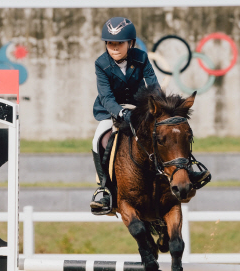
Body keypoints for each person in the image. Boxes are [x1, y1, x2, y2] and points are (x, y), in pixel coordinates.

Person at [89, 17, 209, 215]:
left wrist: (158, 108)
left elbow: (153, 85)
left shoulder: (141, 58)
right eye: (110, 43)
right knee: (98, 140)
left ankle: (189, 169)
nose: (114, 48)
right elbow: (106, 96)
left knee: (168, 133)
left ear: (131, 43)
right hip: (111, 110)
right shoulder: (101, 64)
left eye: (119, 43)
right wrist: (121, 113)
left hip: (140, 108)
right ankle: (105, 189)